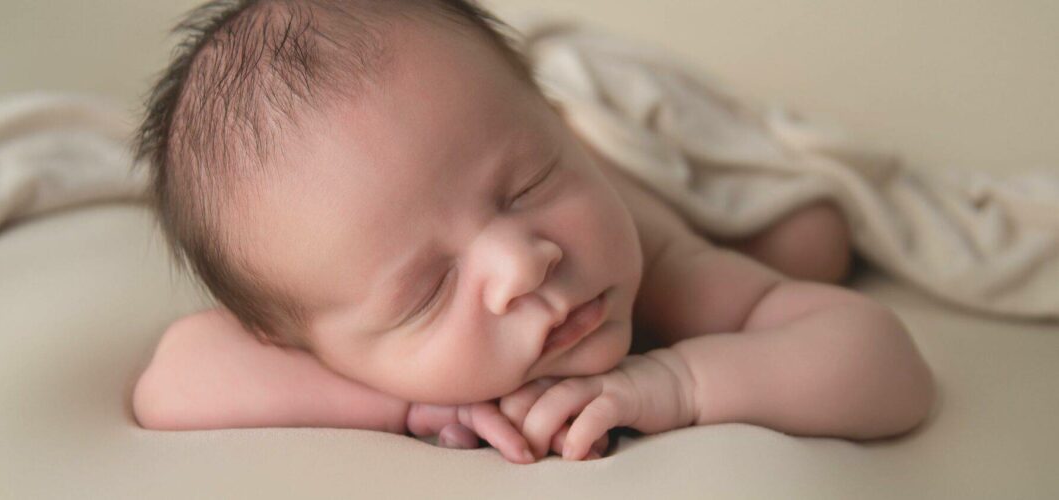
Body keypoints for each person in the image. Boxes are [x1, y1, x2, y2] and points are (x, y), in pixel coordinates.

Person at [131, 0, 934, 464]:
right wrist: (402, 406)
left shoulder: (655, 264)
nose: (522, 262)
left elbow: (886, 365)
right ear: (307, 342)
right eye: (427, 289)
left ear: (562, 140)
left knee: (808, 240)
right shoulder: (324, 305)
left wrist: (679, 384)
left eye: (529, 186)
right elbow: (173, 379)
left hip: (627, 144)